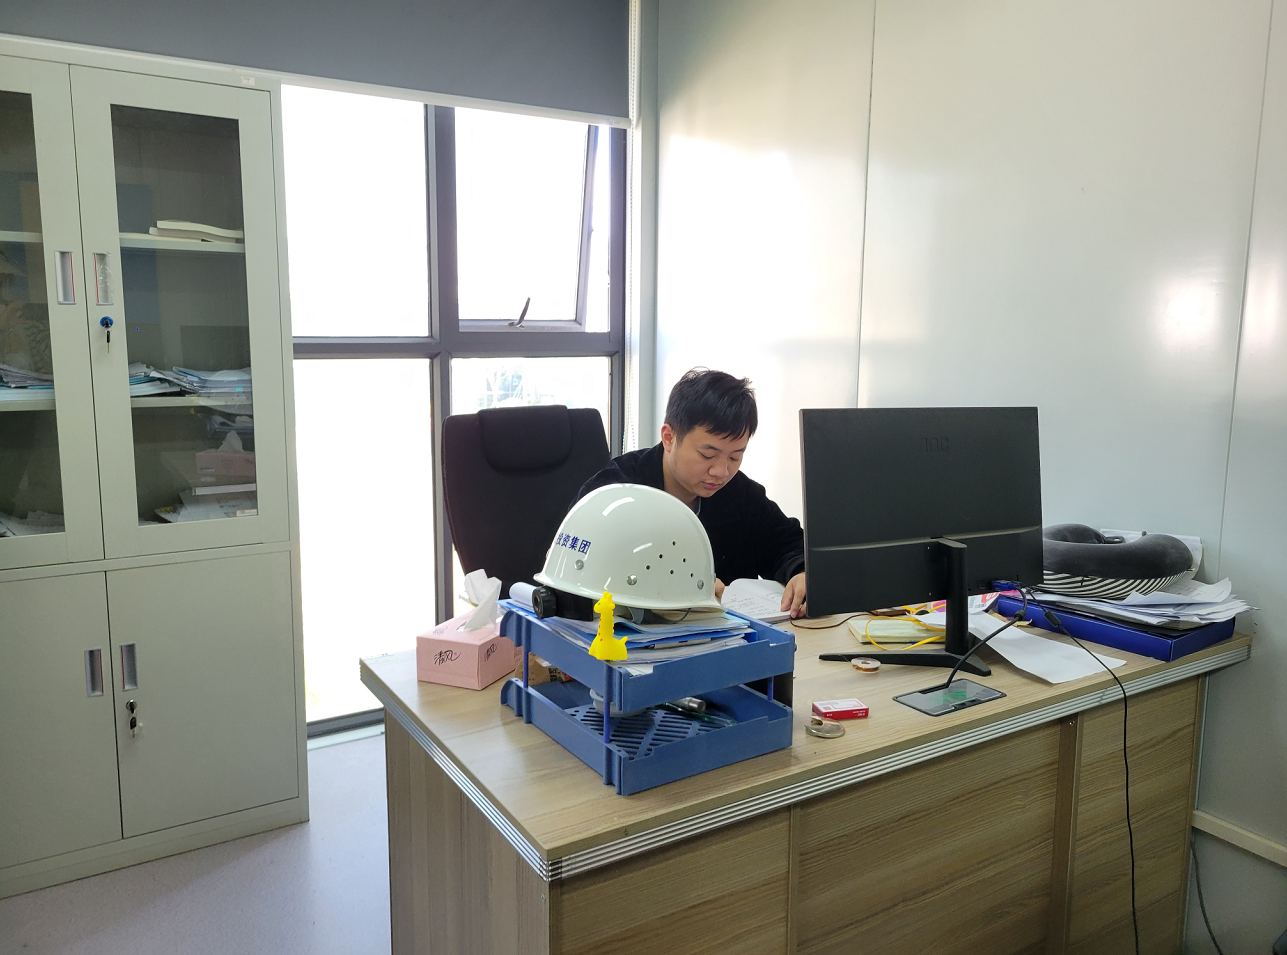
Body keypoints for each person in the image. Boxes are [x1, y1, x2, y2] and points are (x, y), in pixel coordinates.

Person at [577, 368, 808, 618]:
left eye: (735, 457)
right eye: (707, 455)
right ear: (669, 437)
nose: (721, 471)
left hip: (730, 636)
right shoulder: (615, 492)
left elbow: (787, 543)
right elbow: (580, 568)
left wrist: (803, 572)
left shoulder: (739, 493)